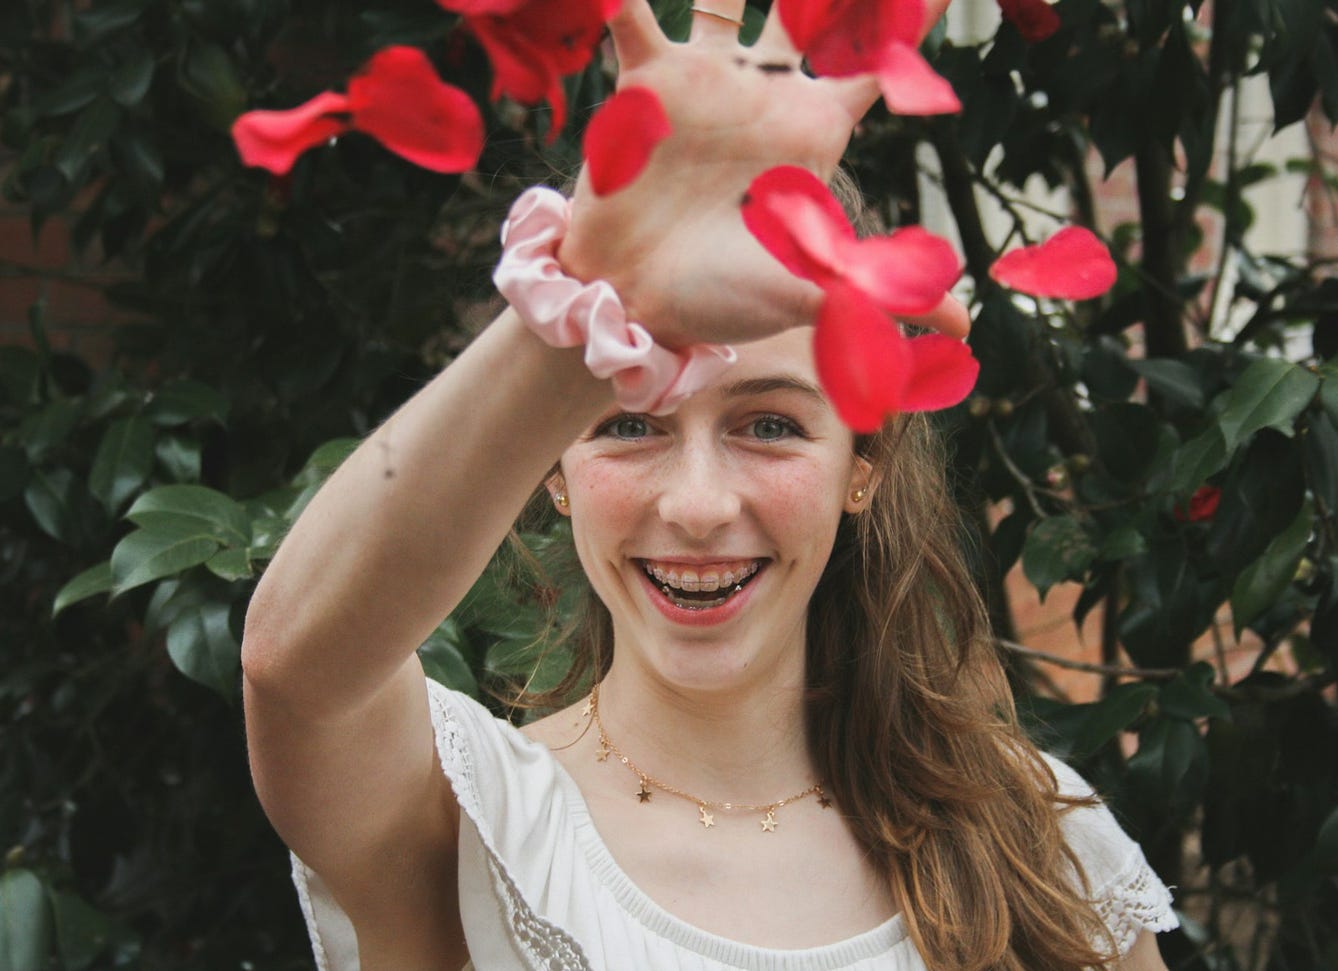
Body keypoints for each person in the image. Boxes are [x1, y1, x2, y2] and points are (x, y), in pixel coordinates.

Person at [240, 1, 1178, 969]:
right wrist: (586, 314)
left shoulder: (1038, 843)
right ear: (552, 469)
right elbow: (295, 670)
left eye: (768, 424)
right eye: (629, 423)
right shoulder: (463, 815)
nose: (696, 506)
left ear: (864, 466)